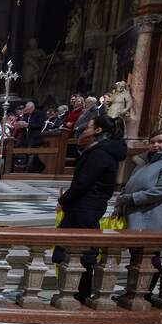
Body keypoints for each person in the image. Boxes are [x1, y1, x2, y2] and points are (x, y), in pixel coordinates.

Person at [55, 115, 126, 302]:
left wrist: (63, 200)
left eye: (88, 127)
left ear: (98, 130)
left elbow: (83, 183)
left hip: (85, 208)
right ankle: (76, 294)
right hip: (87, 206)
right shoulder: (102, 151)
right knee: (76, 251)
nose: (83, 130)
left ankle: (79, 295)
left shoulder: (99, 154)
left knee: (80, 251)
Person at [115, 128, 162, 231]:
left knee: (142, 241)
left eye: (160, 141)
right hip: (131, 213)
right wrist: (120, 203)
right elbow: (130, 185)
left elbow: (161, 191)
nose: (155, 145)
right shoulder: (146, 163)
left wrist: (132, 198)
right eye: (152, 142)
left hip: (150, 216)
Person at [15, 101, 46, 172]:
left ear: (32, 108)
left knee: (33, 154)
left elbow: (39, 124)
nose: (26, 110)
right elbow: (24, 123)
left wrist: (28, 125)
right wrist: (20, 124)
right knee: (26, 154)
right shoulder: (26, 115)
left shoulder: (39, 114)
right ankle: (27, 169)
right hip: (26, 137)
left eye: (28, 109)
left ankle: (31, 170)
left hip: (35, 137)